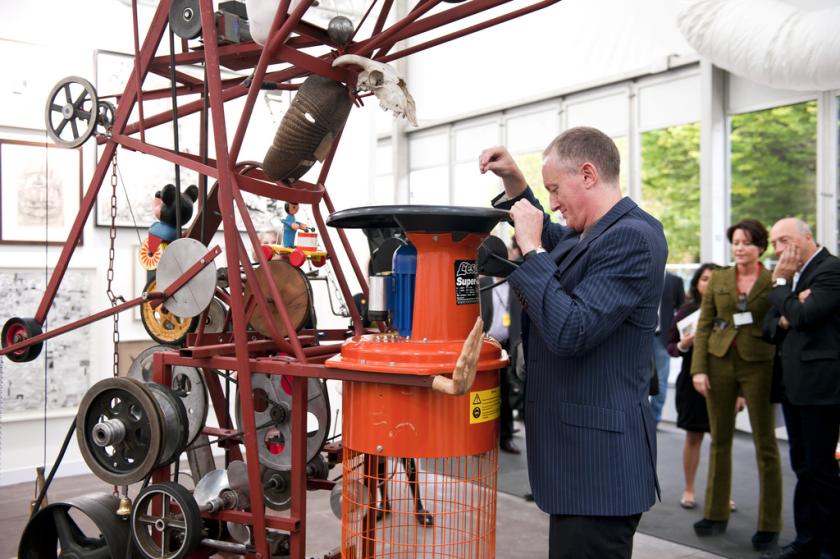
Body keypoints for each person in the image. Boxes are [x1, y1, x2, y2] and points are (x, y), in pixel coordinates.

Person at [479, 126, 666, 558]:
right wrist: (515, 181)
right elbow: (550, 233)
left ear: (587, 174)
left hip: (599, 472)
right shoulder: (592, 234)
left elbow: (571, 330)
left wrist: (530, 249)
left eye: (555, 190)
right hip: (580, 467)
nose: (553, 203)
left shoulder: (632, 237)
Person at [690, 219, 782, 552]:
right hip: (718, 360)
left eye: (747, 242)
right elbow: (704, 325)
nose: (740, 248)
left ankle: (769, 524)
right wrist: (698, 369)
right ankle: (715, 514)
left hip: (760, 363)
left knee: (765, 443)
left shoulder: (773, 281)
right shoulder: (719, 278)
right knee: (720, 440)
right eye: (736, 242)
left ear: (761, 247)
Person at [761, 218, 840, 559]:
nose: (778, 248)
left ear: (808, 237)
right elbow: (768, 327)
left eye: (784, 240)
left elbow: (807, 318)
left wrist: (781, 287)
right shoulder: (793, 275)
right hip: (792, 385)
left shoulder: (831, 269)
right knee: (803, 468)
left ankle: (831, 547)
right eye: (774, 243)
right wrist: (788, 309)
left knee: (821, 470)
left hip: (820, 387)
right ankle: (807, 541)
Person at [667, 263, 746, 511]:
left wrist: (742, 392)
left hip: (726, 382)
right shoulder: (686, 311)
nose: (709, 284)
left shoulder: (735, 311)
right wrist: (684, 344)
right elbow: (670, 345)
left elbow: (745, 351)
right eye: (704, 279)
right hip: (692, 382)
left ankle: (721, 493)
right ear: (696, 283)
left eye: (714, 279)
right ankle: (689, 489)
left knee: (722, 441)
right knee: (693, 436)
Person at [479, 243, 523, 454]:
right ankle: (479, 440)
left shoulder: (516, 284)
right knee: (480, 395)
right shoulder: (482, 284)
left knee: (505, 393)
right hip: (485, 346)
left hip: (507, 346)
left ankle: (506, 437)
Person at [651, 271, 686, 423]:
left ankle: (654, 418)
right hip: (639, 336)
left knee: (661, 380)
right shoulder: (642, 272)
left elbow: (682, 309)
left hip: (662, 337)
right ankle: (639, 418)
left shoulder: (675, 281)